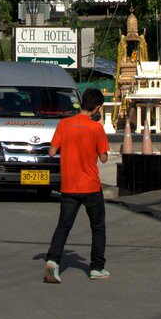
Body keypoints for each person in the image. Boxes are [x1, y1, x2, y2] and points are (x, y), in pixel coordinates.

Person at [43, 88, 111, 283]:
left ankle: (53, 261)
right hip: (91, 187)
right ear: (97, 107)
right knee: (98, 227)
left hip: (69, 187)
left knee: (63, 226)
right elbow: (104, 158)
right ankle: (97, 268)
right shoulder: (96, 129)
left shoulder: (64, 124)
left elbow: (51, 152)